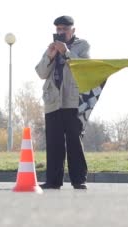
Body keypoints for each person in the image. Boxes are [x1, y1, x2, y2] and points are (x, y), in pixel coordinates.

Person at [35, 15, 90, 190]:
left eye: (64, 29)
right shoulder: (51, 47)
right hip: (53, 100)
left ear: (73, 30)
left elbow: (84, 66)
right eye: (58, 29)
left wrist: (66, 51)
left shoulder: (82, 45)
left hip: (73, 100)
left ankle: (78, 180)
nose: (61, 32)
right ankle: (53, 181)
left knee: (74, 140)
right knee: (53, 142)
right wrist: (50, 56)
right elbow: (41, 73)